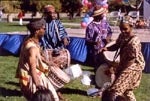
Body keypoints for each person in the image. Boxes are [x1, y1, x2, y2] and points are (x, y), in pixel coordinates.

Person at [101, 16, 145, 101]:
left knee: (115, 91)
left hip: (133, 68)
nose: (123, 31)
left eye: (125, 29)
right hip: (125, 65)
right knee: (127, 91)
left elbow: (131, 60)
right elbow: (117, 45)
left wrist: (115, 68)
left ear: (131, 27)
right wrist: (107, 49)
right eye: (121, 28)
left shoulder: (134, 42)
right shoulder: (122, 36)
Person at [15, 19, 59, 101]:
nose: (45, 30)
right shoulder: (32, 48)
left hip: (29, 76)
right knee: (53, 98)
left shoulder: (29, 40)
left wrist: (49, 62)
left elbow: (36, 56)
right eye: (44, 28)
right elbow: (32, 67)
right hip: (34, 78)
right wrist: (38, 84)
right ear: (37, 31)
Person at [85, 6, 112, 71]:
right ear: (97, 15)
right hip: (97, 51)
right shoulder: (90, 26)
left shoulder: (105, 23)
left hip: (106, 48)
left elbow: (110, 32)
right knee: (98, 68)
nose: (103, 15)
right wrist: (95, 42)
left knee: (107, 66)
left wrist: (108, 37)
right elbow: (87, 40)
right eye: (102, 14)